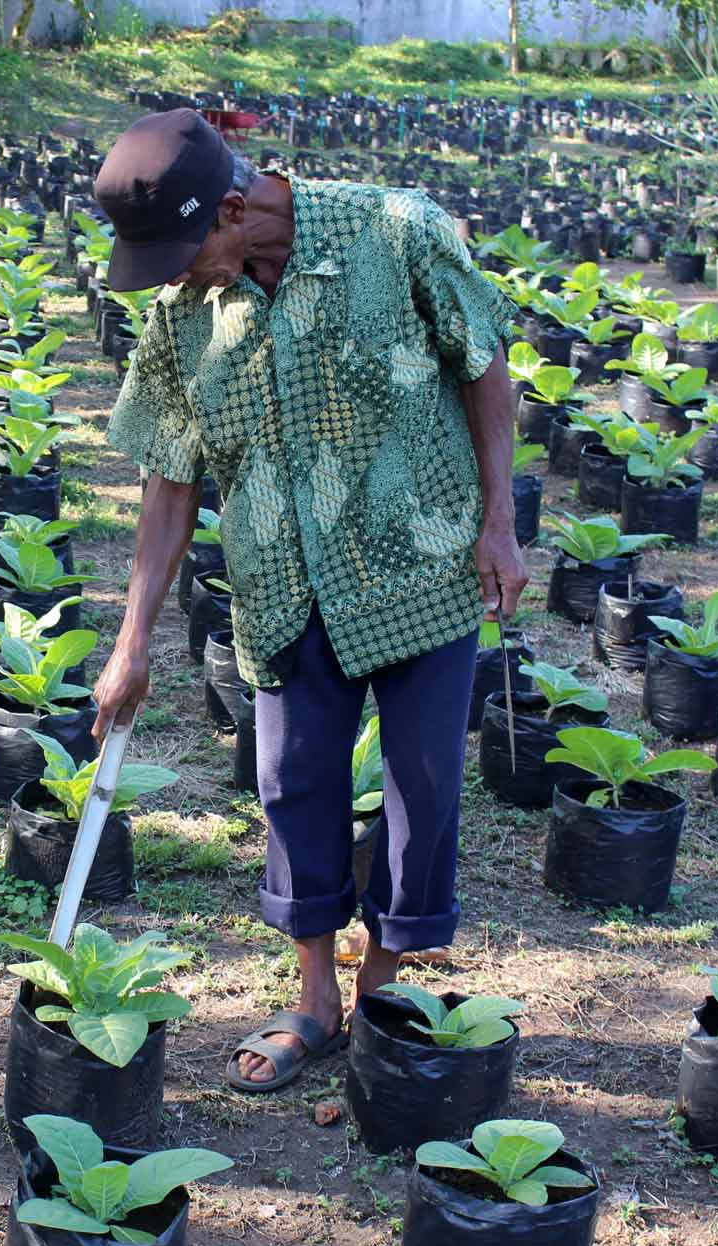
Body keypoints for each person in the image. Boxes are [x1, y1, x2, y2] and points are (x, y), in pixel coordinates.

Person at [87, 109, 526, 1093]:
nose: (169, 278)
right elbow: (168, 479)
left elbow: (485, 369)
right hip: (282, 583)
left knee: (420, 788)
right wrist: (130, 643)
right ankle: (314, 997)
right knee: (291, 782)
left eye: (178, 252)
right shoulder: (180, 316)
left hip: (421, 569)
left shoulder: (396, 231)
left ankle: (380, 983)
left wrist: (499, 523)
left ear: (234, 210)